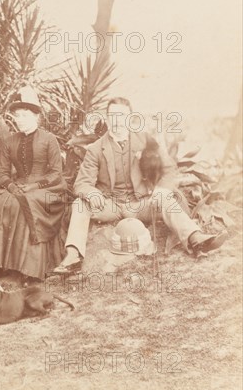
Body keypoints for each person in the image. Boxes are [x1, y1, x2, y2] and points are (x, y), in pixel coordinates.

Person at [53, 97, 227, 275]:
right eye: (112, 115)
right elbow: (82, 183)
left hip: (141, 203)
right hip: (109, 204)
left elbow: (170, 170)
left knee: (166, 198)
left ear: (129, 118)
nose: (117, 120)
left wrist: (161, 190)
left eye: (121, 115)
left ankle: (195, 238)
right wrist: (92, 193)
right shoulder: (96, 148)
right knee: (80, 204)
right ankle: (73, 256)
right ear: (107, 117)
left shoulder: (145, 141)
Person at [0, 86, 67, 282]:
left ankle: (30, 269)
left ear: (36, 117)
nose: (19, 119)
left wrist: (34, 187)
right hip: (18, 185)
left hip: (47, 188)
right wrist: (11, 187)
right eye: (17, 116)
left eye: (24, 115)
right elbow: (3, 172)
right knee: (1, 202)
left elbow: (56, 173)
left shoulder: (49, 139)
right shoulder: (9, 141)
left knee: (27, 202)